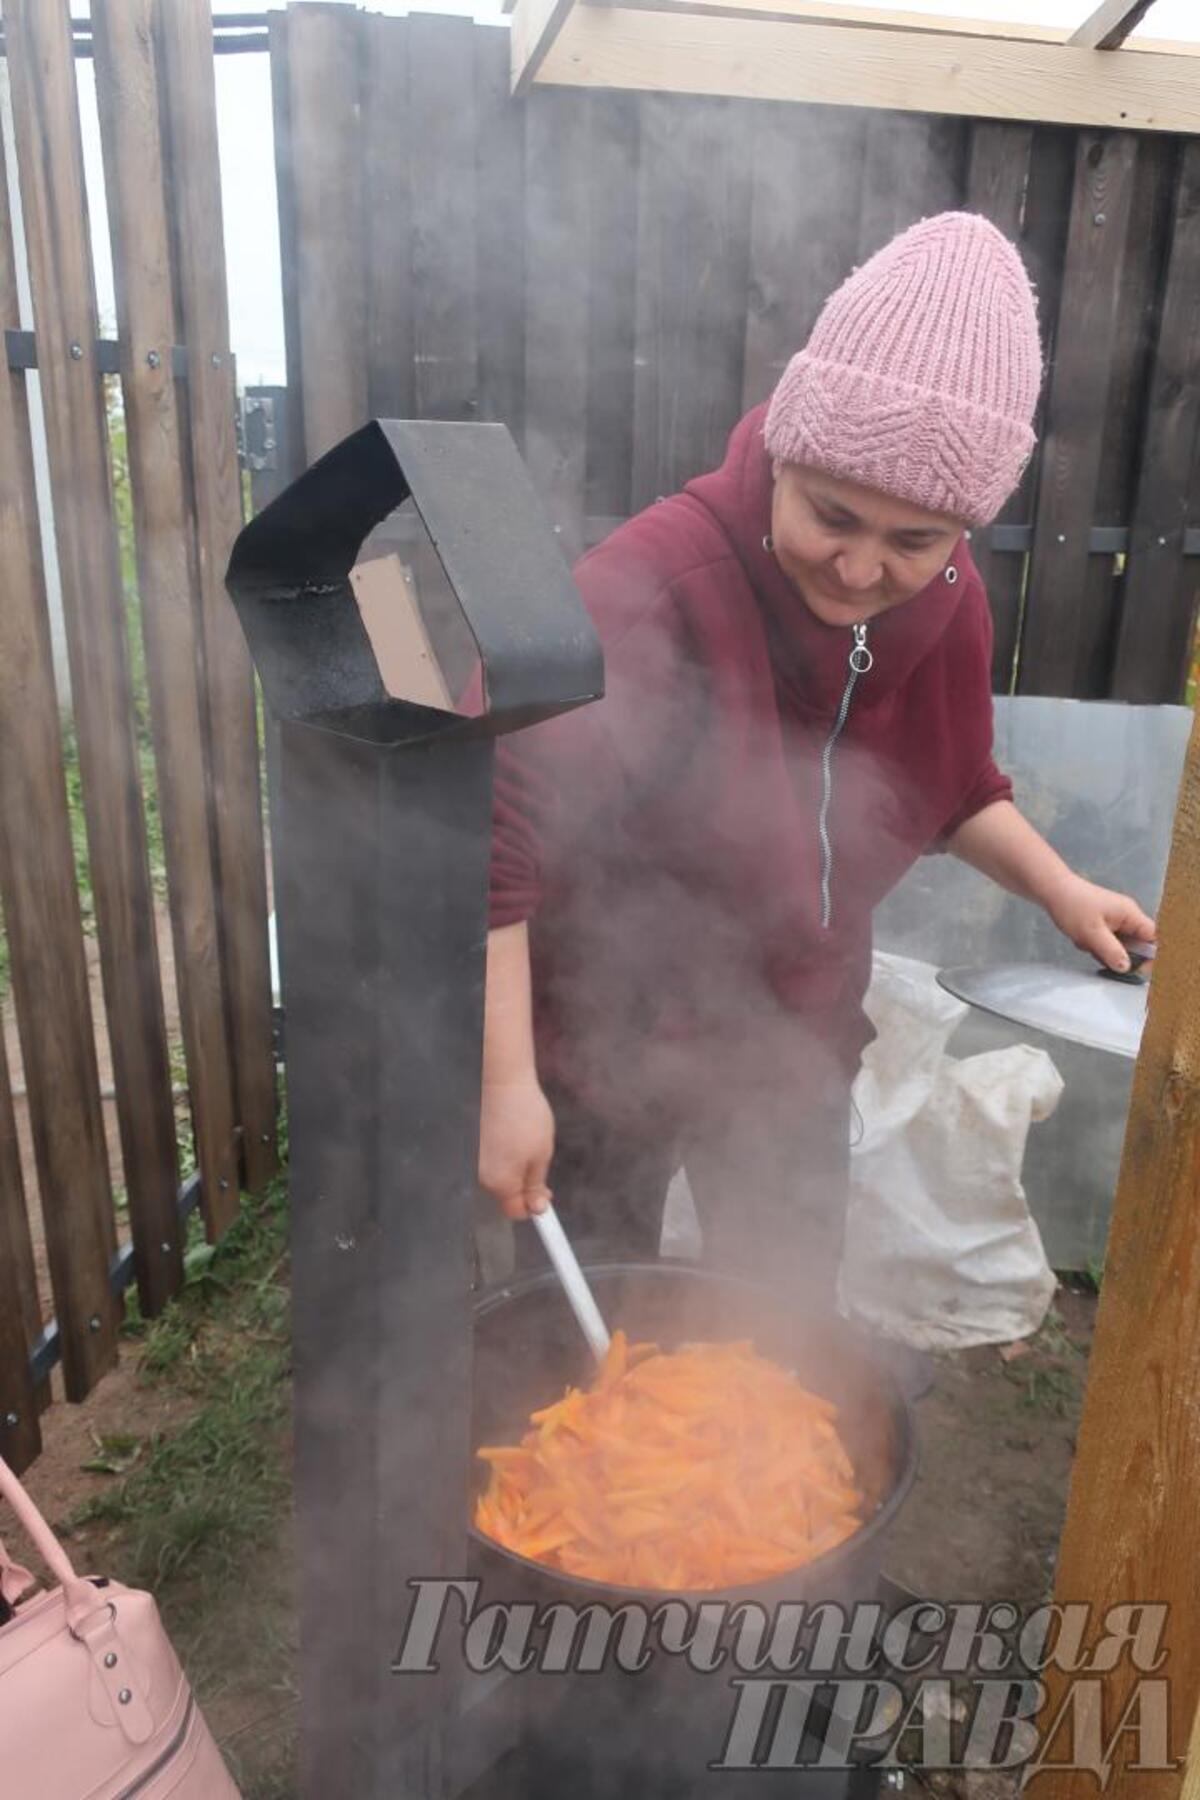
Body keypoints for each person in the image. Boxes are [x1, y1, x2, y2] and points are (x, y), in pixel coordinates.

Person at [476, 212, 1155, 1293]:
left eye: (914, 540)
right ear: (785, 452)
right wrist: (504, 1085)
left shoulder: (948, 599)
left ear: (961, 533)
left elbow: (950, 785)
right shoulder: (649, 588)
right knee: (577, 1332)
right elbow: (484, 838)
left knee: (781, 1330)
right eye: (833, 515)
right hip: (605, 1043)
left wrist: (1061, 889)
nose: (858, 569)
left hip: (792, 1043)